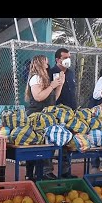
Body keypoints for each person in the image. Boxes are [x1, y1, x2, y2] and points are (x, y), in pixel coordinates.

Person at [24, 55, 64, 181]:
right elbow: (38, 97)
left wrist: (59, 85)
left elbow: (53, 99)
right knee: (37, 144)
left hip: (46, 116)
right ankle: (34, 174)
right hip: (36, 116)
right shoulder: (36, 78)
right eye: (46, 63)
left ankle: (42, 172)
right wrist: (52, 86)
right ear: (40, 64)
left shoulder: (45, 79)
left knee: (45, 143)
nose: (48, 65)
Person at [46, 48, 77, 177]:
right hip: (56, 113)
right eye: (65, 57)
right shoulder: (51, 72)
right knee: (52, 142)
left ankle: (65, 171)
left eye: (69, 57)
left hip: (71, 113)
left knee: (67, 143)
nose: (67, 60)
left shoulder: (71, 73)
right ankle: (47, 172)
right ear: (57, 59)